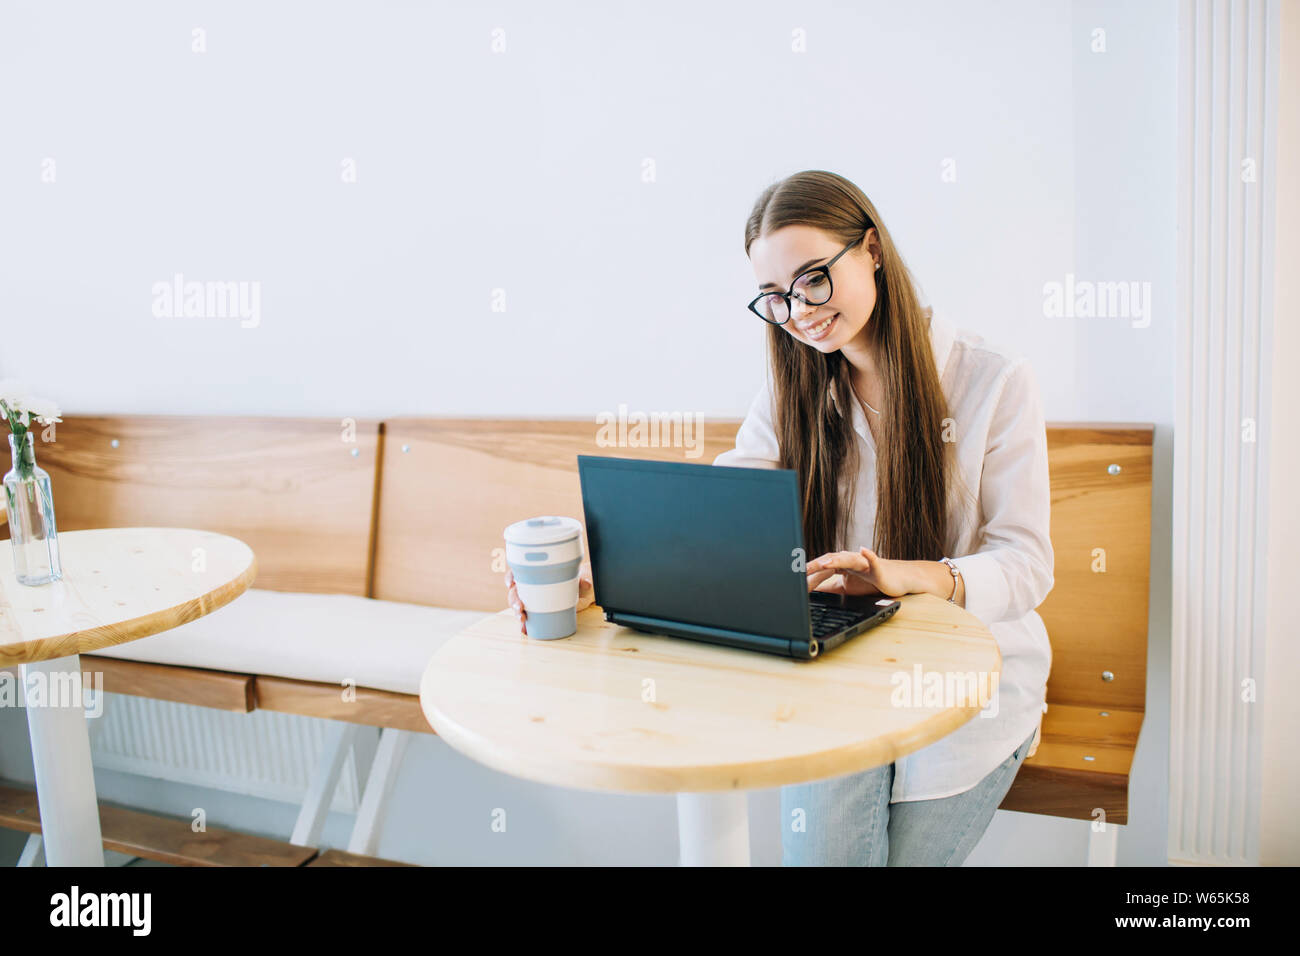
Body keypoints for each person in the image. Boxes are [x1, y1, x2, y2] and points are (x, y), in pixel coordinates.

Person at [505, 169, 1053, 866]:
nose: (798, 311)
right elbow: (731, 500)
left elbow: (1027, 562)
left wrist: (906, 577)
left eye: (813, 278)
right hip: (838, 667)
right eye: (774, 296)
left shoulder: (994, 381)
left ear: (873, 250)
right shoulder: (795, 380)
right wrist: (602, 567)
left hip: (970, 676)